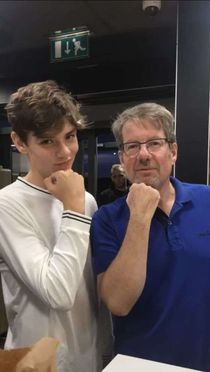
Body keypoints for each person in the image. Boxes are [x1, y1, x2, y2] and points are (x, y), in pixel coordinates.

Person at [91, 102, 210, 372]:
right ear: (122, 159)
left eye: (154, 143)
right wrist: (139, 218)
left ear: (173, 152)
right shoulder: (106, 219)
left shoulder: (208, 200)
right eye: (132, 146)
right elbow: (118, 303)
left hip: (206, 362)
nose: (143, 155)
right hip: (137, 366)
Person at [0, 80, 112, 372]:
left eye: (70, 136)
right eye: (48, 141)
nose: (65, 152)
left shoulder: (85, 200)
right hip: (33, 361)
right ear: (21, 142)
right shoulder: (7, 204)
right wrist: (73, 207)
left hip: (85, 355)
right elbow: (59, 293)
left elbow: (86, 286)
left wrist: (104, 349)